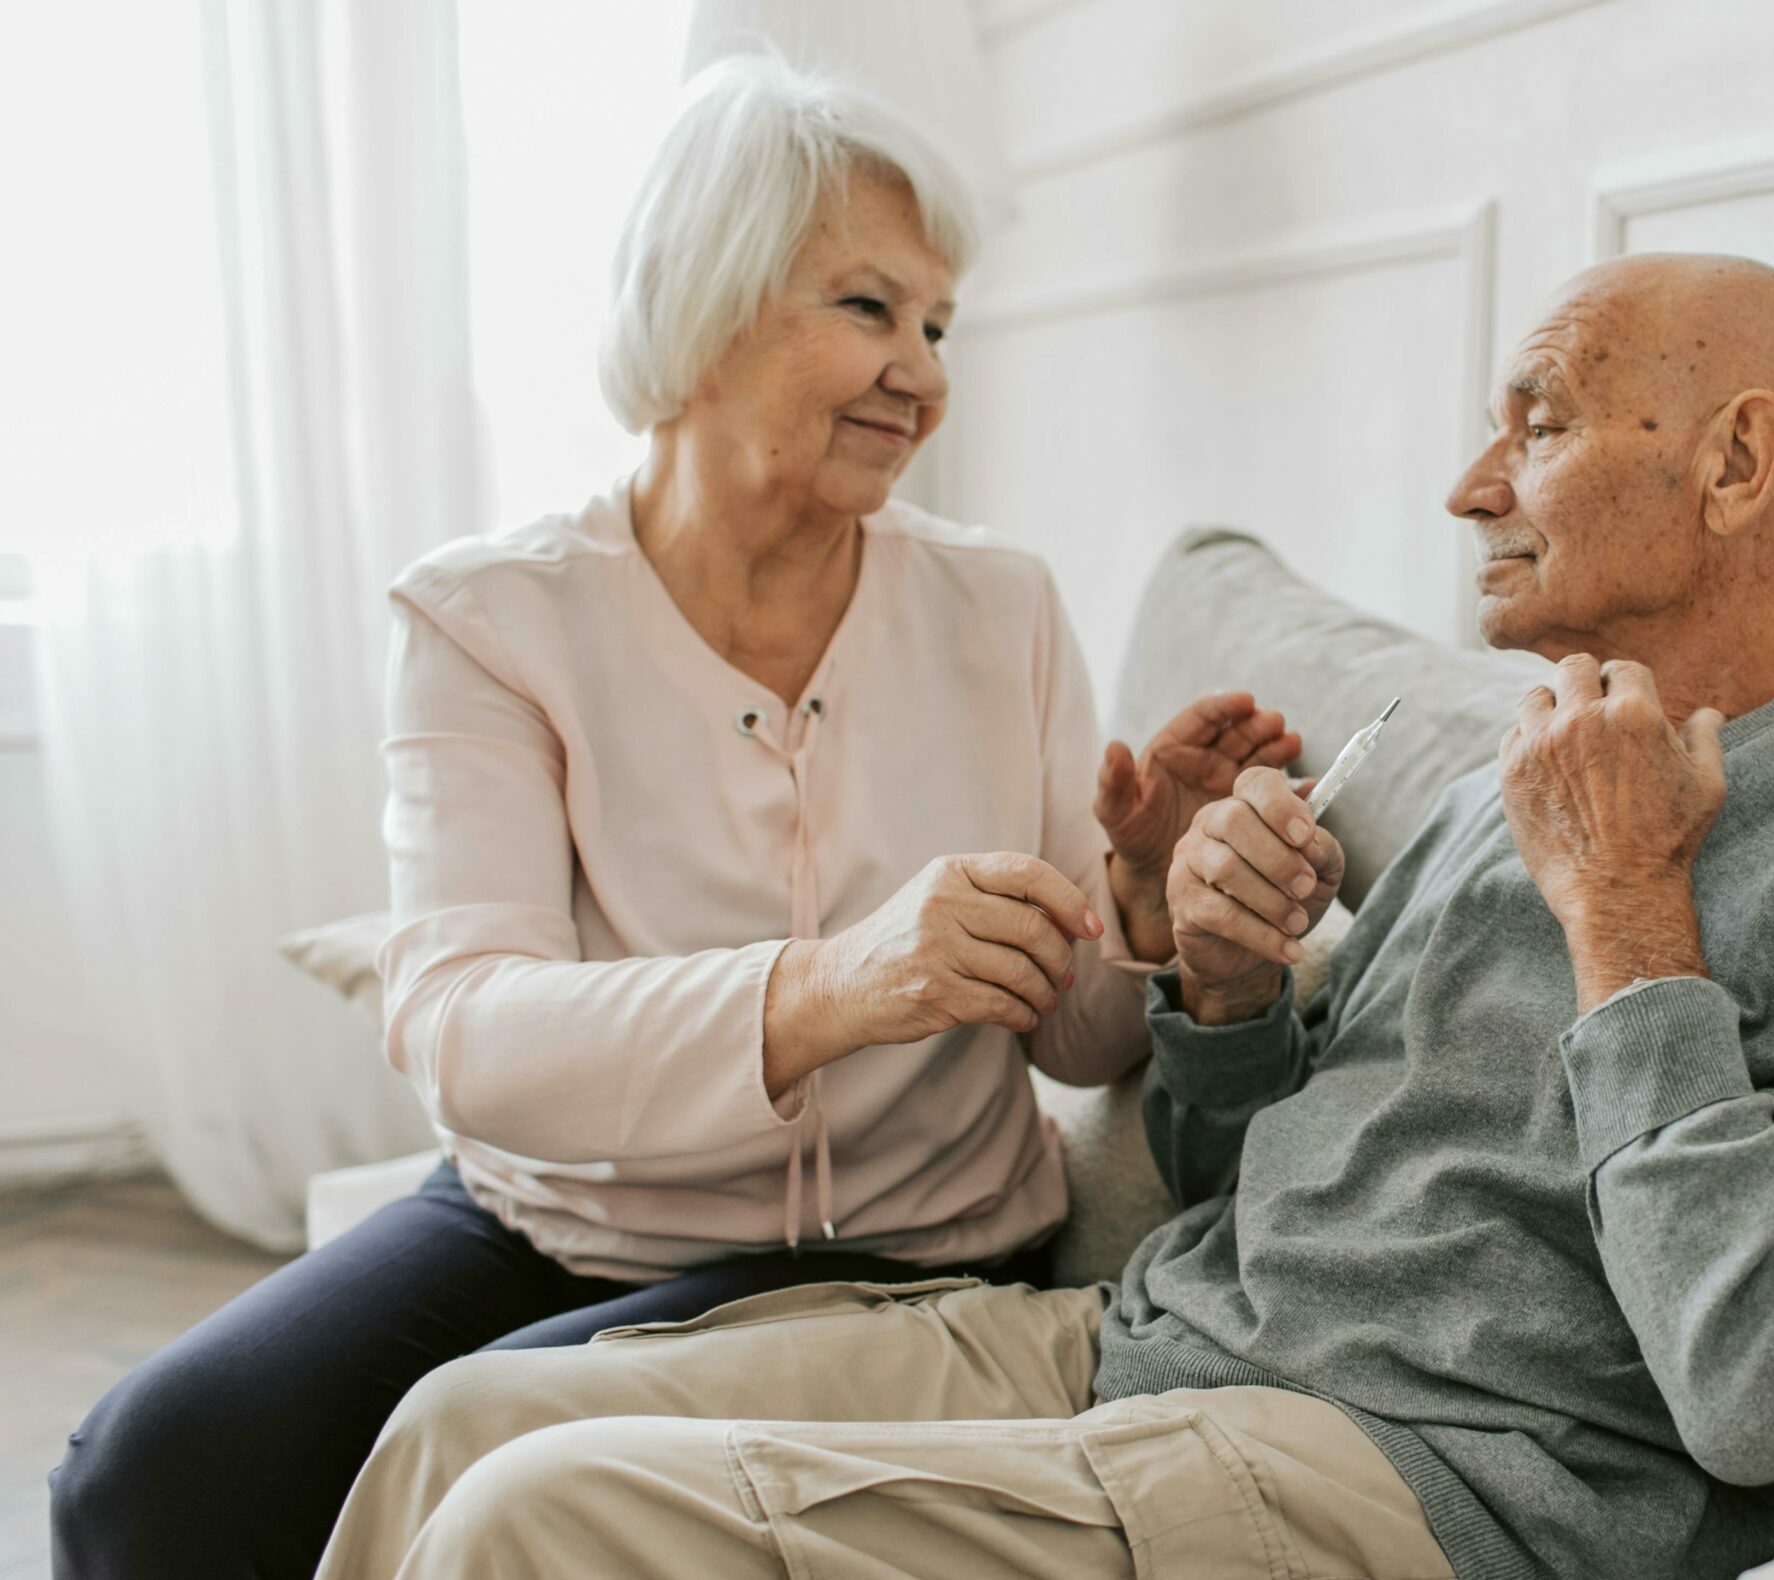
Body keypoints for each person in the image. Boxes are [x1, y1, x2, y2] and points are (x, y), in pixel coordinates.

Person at [310, 253, 1774, 1580]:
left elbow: (1772, 1391)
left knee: (537, 1524)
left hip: (1404, 1480)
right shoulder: (1507, 778)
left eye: (1535, 423)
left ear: (1734, 460)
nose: (1470, 488)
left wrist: (1630, 924)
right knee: (460, 1421)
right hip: (1144, 1349)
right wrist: (1225, 992)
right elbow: (1264, 1179)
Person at [47, 55, 1304, 1580]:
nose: (924, 368)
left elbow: (1083, 1045)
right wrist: (842, 983)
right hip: (548, 1219)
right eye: (868, 307)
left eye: (937, 322)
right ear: (704, 301)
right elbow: (465, 1024)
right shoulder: (489, 617)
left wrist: (1140, 902)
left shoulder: (1002, 606)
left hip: (905, 1252)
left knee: (480, 1457)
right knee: (149, 1475)